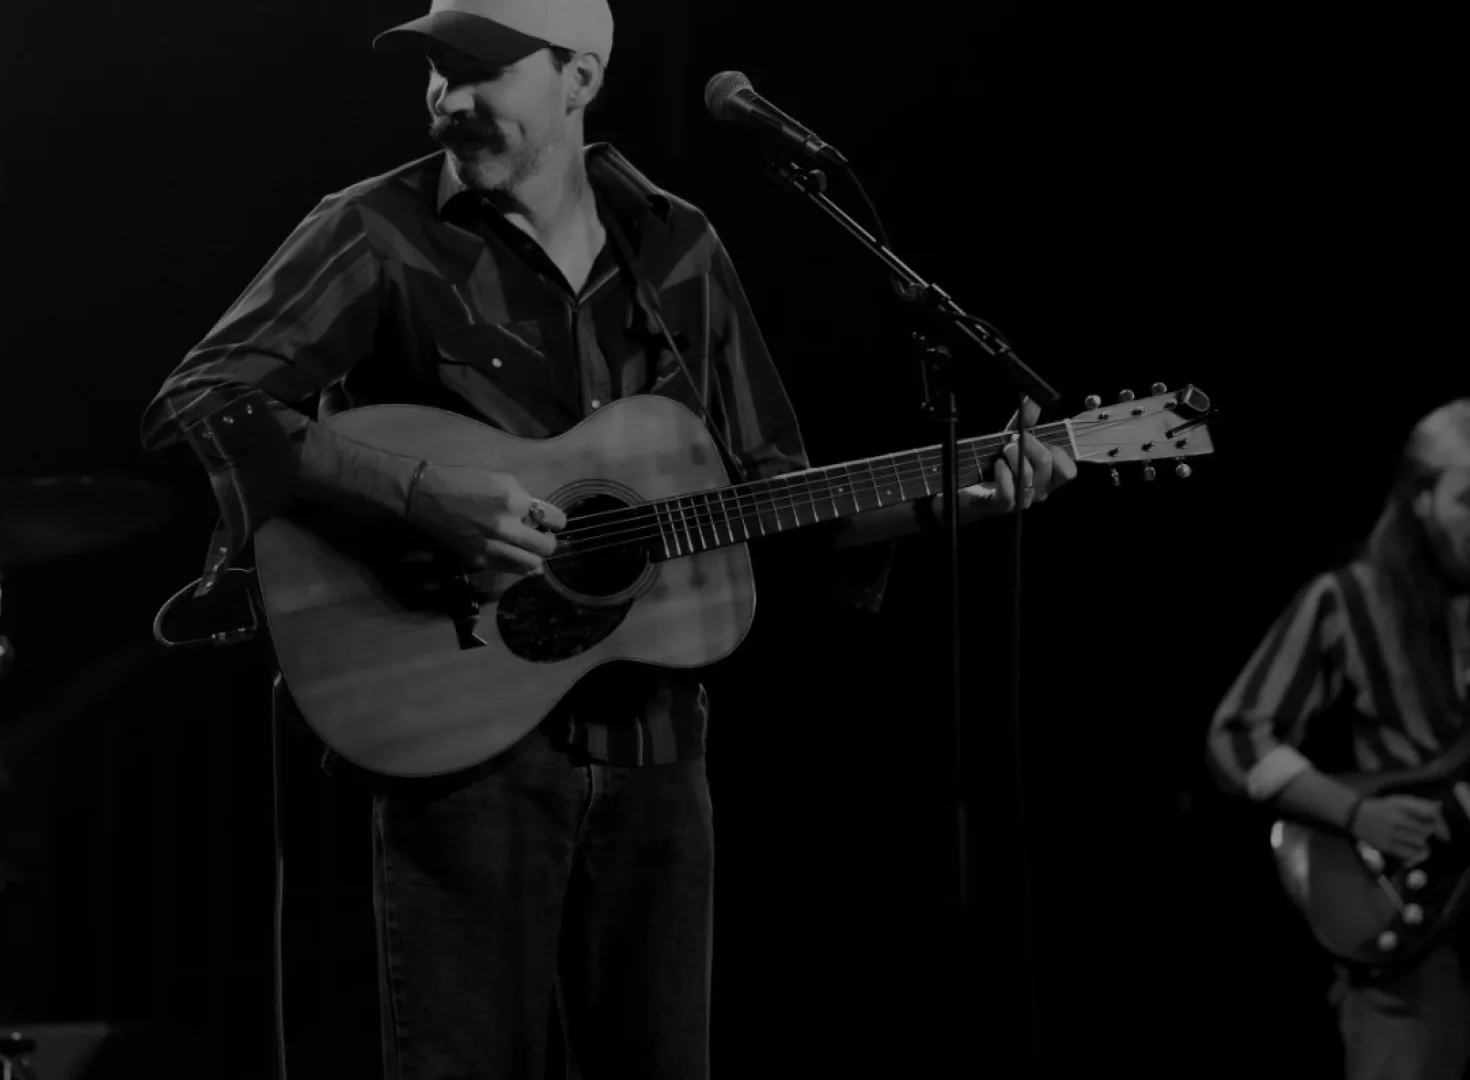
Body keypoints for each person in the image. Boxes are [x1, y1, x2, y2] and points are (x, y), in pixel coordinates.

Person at [140, 0, 1076, 1076]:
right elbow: (202, 400)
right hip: (455, 753)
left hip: (657, 758)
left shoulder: (675, 247)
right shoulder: (374, 229)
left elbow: (771, 496)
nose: (449, 96)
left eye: (482, 68)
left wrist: (954, 498)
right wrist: (419, 491)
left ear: (580, 76)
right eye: (436, 69)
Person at [1208, 398, 1470, 1079]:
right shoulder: (1348, 602)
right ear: (1421, 498)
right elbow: (1238, 738)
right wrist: (1358, 813)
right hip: (1408, 954)